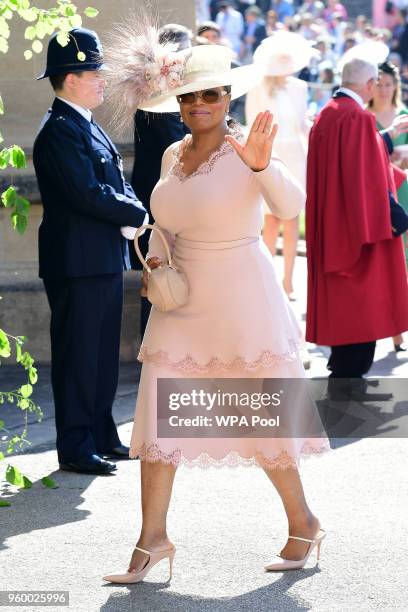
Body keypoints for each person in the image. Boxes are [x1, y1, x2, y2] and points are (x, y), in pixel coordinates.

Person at [102, 40, 329, 583]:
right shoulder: (170, 155)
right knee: (160, 416)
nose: (199, 103)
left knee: (260, 418)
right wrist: (158, 257)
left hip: (241, 299)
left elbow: (292, 207)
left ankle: (304, 521)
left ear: (227, 97)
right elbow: (170, 224)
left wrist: (263, 165)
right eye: (189, 95)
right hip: (180, 304)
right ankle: (151, 540)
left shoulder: (246, 148)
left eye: (210, 93)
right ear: (178, 103)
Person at [33, 28, 147, 475]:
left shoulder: (82, 121)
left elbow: (112, 183)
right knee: (79, 354)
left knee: (100, 353)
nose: (102, 80)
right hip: (77, 260)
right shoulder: (61, 129)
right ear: (71, 78)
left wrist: (132, 205)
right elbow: (87, 192)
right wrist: (135, 212)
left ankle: (100, 434)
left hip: (98, 256)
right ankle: (77, 445)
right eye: (94, 72)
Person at [306, 57, 408, 384]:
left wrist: (387, 138)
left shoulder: (328, 113)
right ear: (369, 85)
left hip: (332, 221)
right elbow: (366, 176)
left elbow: (358, 160)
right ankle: (349, 380)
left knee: (343, 305)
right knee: (360, 302)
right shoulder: (358, 118)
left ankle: (345, 368)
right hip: (356, 225)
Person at [130, 24, 191, 338]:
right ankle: (153, 349)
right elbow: (178, 148)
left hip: (163, 197)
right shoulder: (158, 98)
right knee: (157, 276)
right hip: (159, 200)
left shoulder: (166, 94)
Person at [246, 32, 313, 300]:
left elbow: (303, 125)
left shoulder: (300, 87)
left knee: (292, 216)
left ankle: (289, 280)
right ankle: (270, 277)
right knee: (270, 219)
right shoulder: (258, 87)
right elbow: (253, 123)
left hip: (296, 156)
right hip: (270, 155)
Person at [369, 60, 408, 352]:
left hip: (405, 185)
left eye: (388, 83)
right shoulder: (365, 116)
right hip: (381, 192)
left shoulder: (404, 114)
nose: (384, 89)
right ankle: (394, 330)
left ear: (396, 85)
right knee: (390, 261)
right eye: (379, 83)